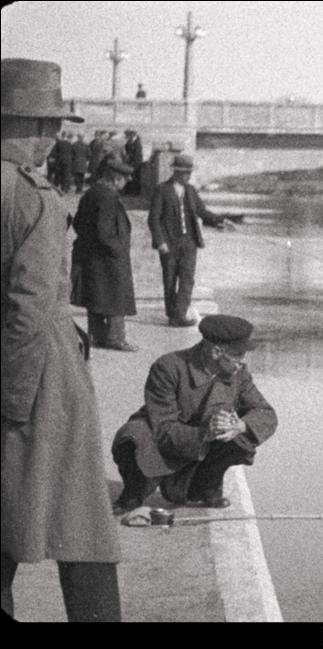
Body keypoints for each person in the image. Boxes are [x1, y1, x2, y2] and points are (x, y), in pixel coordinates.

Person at [1, 57, 122, 622]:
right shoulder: (34, 195)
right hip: (39, 380)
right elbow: (29, 310)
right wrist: (13, 401)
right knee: (81, 525)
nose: (51, 138)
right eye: (42, 125)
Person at [111, 315, 277, 512]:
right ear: (217, 352)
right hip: (165, 438)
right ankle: (133, 494)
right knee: (134, 436)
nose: (242, 362)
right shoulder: (168, 367)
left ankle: (206, 488)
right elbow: (163, 428)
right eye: (238, 355)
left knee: (241, 440)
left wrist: (239, 426)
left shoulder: (238, 372)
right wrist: (206, 432)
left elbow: (265, 412)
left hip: (204, 444)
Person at [148, 153, 232, 327]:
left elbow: (202, 212)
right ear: (177, 172)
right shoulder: (162, 190)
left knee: (187, 279)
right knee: (170, 280)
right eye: (186, 172)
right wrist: (160, 241)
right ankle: (173, 315)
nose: (189, 175)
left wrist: (220, 220)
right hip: (169, 243)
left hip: (189, 242)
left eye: (190, 172)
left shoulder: (191, 191)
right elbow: (154, 219)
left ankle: (179, 314)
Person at [70, 155, 138, 352]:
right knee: (117, 298)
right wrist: (117, 250)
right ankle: (116, 339)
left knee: (97, 297)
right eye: (124, 180)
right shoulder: (108, 197)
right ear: (116, 178)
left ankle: (97, 337)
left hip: (92, 256)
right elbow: (104, 231)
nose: (125, 184)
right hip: (109, 258)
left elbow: (77, 223)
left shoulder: (91, 193)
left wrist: (91, 242)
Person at [123, 128, 143, 195]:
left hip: (135, 163)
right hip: (130, 162)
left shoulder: (137, 143)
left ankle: (135, 192)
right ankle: (128, 191)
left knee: (135, 178)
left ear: (134, 135)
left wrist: (133, 164)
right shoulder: (130, 142)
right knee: (130, 177)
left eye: (131, 135)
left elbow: (137, 155)